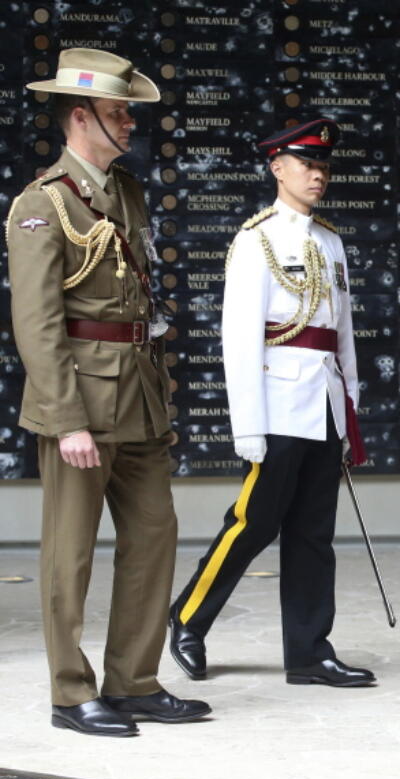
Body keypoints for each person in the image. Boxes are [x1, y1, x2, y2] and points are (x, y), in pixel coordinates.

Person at [6, 48, 210, 735]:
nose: (130, 123)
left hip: (138, 394)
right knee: (70, 550)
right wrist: (67, 422)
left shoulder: (124, 191)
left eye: (128, 111)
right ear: (80, 116)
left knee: (154, 535)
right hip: (81, 404)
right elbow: (37, 325)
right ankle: (71, 693)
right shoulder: (42, 205)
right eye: (119, 112)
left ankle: (133, 681)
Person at [166, 119, 375, 689]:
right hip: (278, 407)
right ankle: (187, 617)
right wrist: (247, 428)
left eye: (324, 166)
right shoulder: (255, 240)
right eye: (307, 164)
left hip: (324, 405)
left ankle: (309, 652)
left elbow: (342, 334)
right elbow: (238, 341)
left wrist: (350, 403)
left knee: (313, 533)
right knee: (252, 524)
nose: (317, 174)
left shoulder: (331, 242)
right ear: (276, 167)